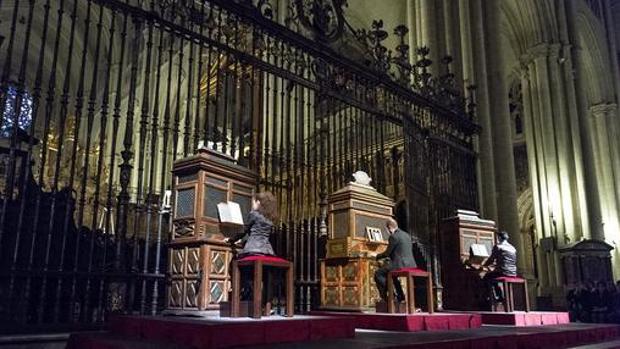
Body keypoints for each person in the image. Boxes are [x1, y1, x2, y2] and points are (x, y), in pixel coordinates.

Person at [374, 218, 417, 302]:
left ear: (389, 228)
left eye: (386, 230)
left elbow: (387, 253)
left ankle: (390, 297)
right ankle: (400, 296)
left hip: (400, 264)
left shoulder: (393, 237)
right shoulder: (407, 235)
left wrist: (377, 256)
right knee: (392, 275)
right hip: (411, 264)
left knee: (378, 274)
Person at [226, 191, 278, 257]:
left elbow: (244, 230)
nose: (252, 206)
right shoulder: (269, 220)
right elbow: (260, 233)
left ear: (258, 202)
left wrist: (232, 240)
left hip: (253, 249)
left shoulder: (254, 214)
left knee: (236, 261)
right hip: (268, 250)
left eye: (253, 203)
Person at [481, 231, 517, 302]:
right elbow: (508, 261)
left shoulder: (498, 246)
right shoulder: (513, 248)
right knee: (493, 277)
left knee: (486, 277)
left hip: (503, 271)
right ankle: (500, 296)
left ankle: (489, 298)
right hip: (513, 272)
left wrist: (483, 265)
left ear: (499, 237)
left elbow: (491, 260)